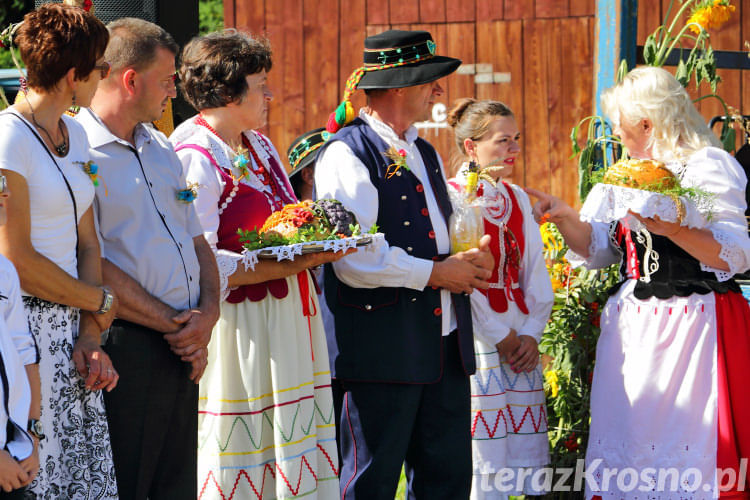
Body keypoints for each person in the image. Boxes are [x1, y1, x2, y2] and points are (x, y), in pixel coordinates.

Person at [526, 66, 750, 498]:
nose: (616, 133)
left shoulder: (705, 168)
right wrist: (565, 216)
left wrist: (675, 229)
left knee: (685, 443)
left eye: (619, 124)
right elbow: (602, 246)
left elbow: (736, 254)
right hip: (634, 329)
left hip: (693, 324)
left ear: (646, 123)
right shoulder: (629, 174)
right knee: (631, 444)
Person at [315, 29, 495, 499]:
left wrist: (470, 257)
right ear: (397, 87)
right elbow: (351, 258)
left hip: (441, 348)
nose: (438, 91)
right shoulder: (346, 153)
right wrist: (439, 273)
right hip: (378, 350)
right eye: (428, 81)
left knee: (447, 480)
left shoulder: (422, 150)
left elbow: (437, 228)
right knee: (368, 484)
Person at [170, 31, 345, 499]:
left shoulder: (258, 145)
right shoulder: (195, 155)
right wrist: (286, 264)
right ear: (228, 92)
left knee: (292, 448)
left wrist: (313, 242)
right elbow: (198, 258)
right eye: (261, 83)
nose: (269, 94)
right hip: (242, 327)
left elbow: (284, 225)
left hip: (285, 317)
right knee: (245, 458)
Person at [76, 18, 220, 500]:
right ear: (130, 79)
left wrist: (208, 318)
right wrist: (177, 325)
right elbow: (88, 257)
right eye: (167, 79)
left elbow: (197, 241)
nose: (174, 90)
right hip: (127, 345)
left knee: (176, 485)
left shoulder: (161, 145)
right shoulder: (76, 149)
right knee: (131, 484)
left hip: (182, 346)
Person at [0, 5, 119, 498]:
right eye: (102, 69)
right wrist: (100, 303)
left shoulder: (81, 134)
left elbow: (88, 241)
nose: (104, 78)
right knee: (38, 482)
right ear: (75, 76)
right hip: (23, 335)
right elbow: (17, 260)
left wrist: (91, 335)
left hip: (75, 330)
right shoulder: (8, 138)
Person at [446, 98, 553, 499]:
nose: (514, 149)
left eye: (516, 139)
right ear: (472, 147)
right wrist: (500, 336)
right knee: (483, 450)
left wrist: (530, 334)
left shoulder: (517, 197)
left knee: (522, 452)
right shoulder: (454, 196)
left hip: (518, 332)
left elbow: (535, 271)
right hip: (478, 334)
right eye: (503, 141)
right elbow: (464, 276)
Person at [0, 174, 41, 499]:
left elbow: (24, 352)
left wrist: (32, 434)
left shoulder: (4, 271)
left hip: (12, 451)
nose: (5, 190)